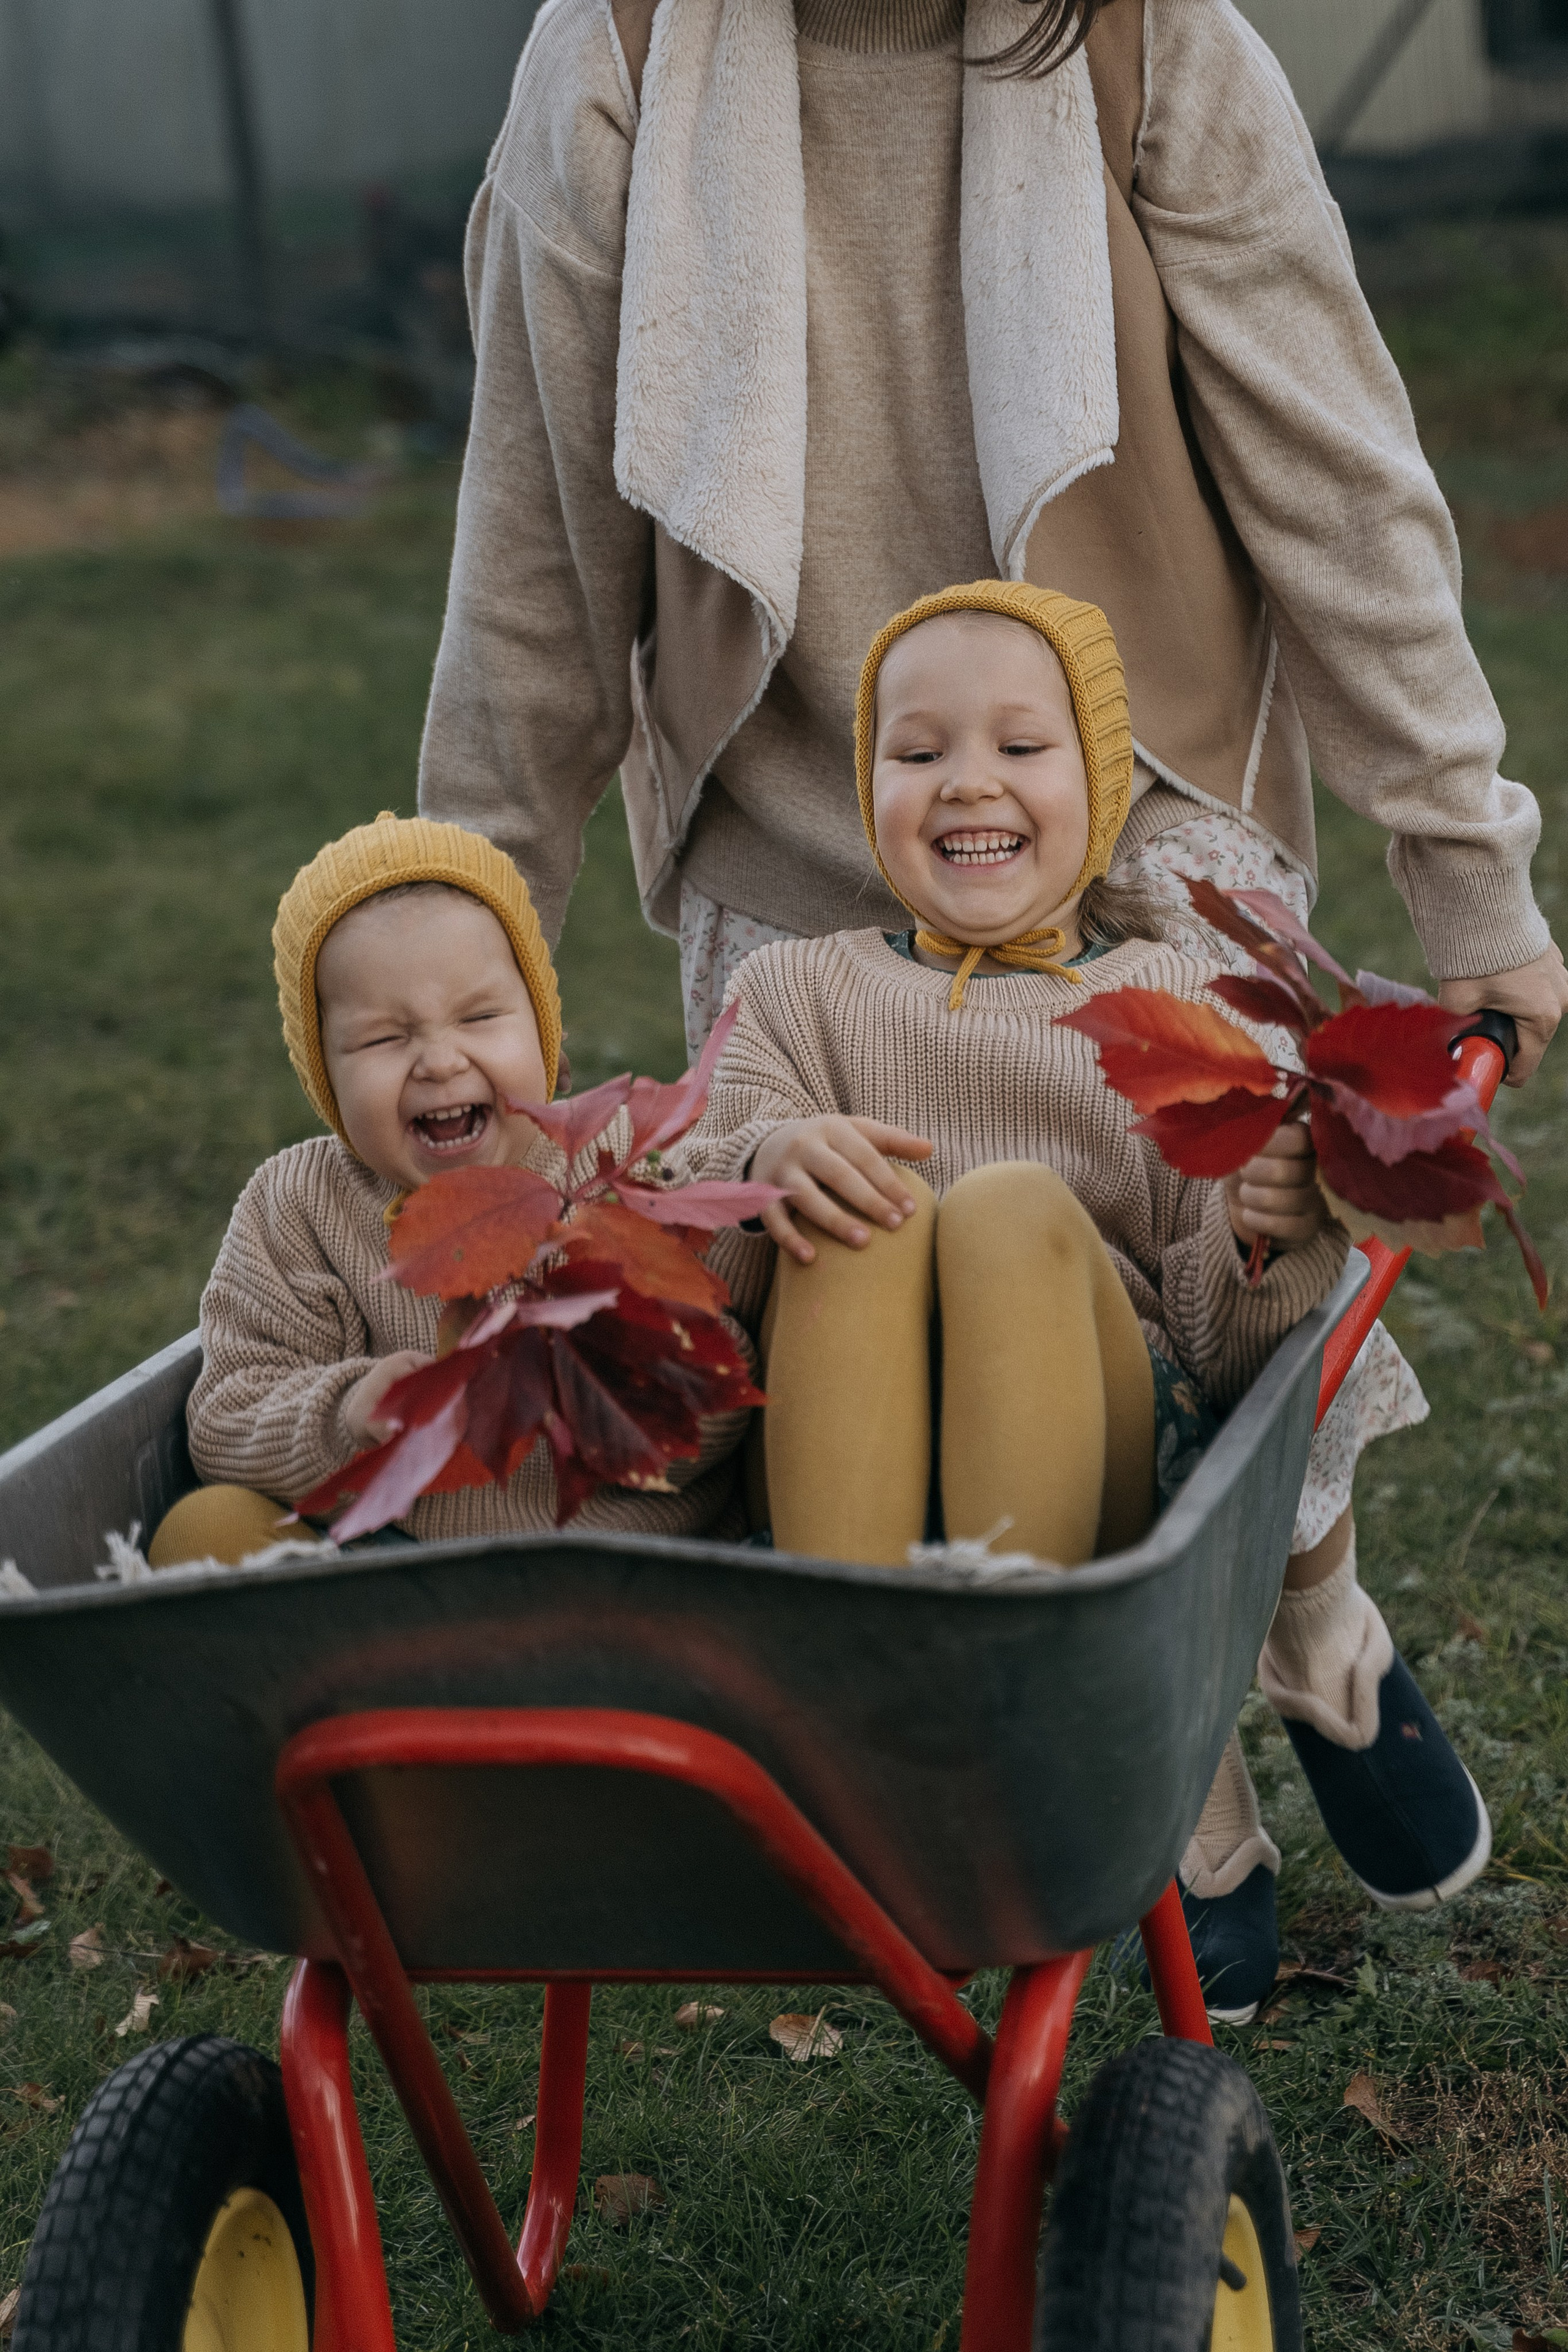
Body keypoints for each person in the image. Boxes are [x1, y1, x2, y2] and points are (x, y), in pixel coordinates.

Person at [419, 0, 1544, 1991]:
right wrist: (462, 944)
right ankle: (1122, 1735)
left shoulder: (1144, 42)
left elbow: (1334, 460)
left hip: (1144, 799)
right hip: (800, 835)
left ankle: (1298, 1616)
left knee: (1216, 1223)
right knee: (901, 1279)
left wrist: (1463, 853)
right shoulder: (613, 55)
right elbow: (535, 544)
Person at [673, 582, 1493, 2017]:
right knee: (858, 1204)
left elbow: (1237, 1353)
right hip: (854, 1476)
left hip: (1099, 1459)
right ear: (866, 786)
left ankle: (1114, 1730)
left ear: (1101, 788)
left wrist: (1259, 1233)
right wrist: (763, 1154)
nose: (966, 780)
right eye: (914, 749)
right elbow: (696, 1225)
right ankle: (866, 1711)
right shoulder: (796, 995)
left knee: (998, 1209)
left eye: (1019, 746)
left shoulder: (1186, 1009)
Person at [146, 813, 750, 1569]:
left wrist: (613, 1367)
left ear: (545, 1033)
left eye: (480, 1016)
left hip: (625, 1571)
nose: (438, 1060)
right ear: (324, 1077)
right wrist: (348, 1413)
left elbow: (732, 1402)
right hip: (401, 1579)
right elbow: (225, 1420)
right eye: (382, 1038)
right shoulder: (298, 1208)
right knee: (206, 1528)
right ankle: (374, 1676)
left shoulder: (618, 1165)